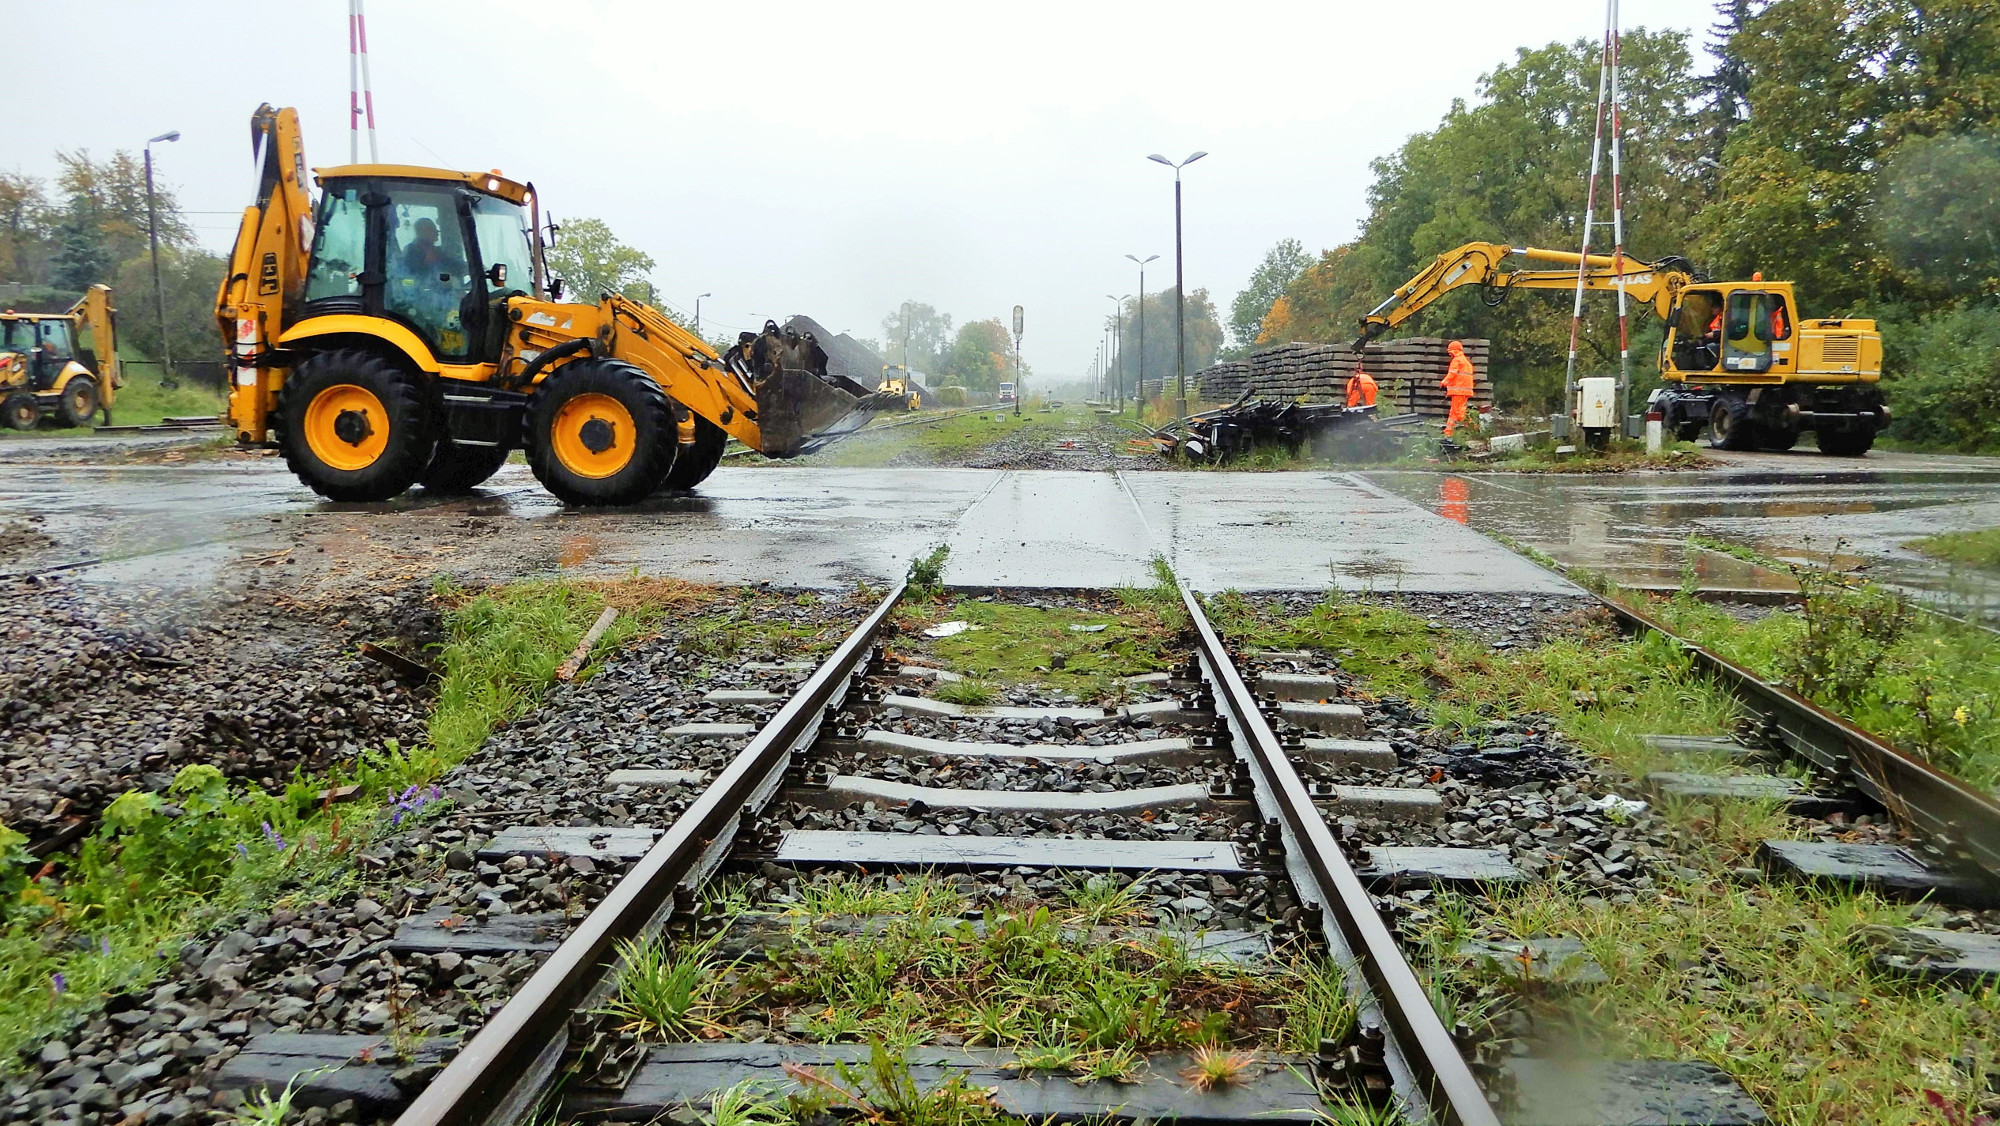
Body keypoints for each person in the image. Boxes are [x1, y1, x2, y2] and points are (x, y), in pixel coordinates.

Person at [1440, 340, 1475, 436]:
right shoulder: (1466, 362)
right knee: (1458, 412)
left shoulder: (1457, 360)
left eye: (1450, 351)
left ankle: (1449, 432)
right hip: (1465, 391)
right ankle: (1473, 430)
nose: (1449, 354)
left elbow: (1452, 374)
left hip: (1458, 391)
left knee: (1457, 413)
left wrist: (1443, 383)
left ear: (1455, 350)